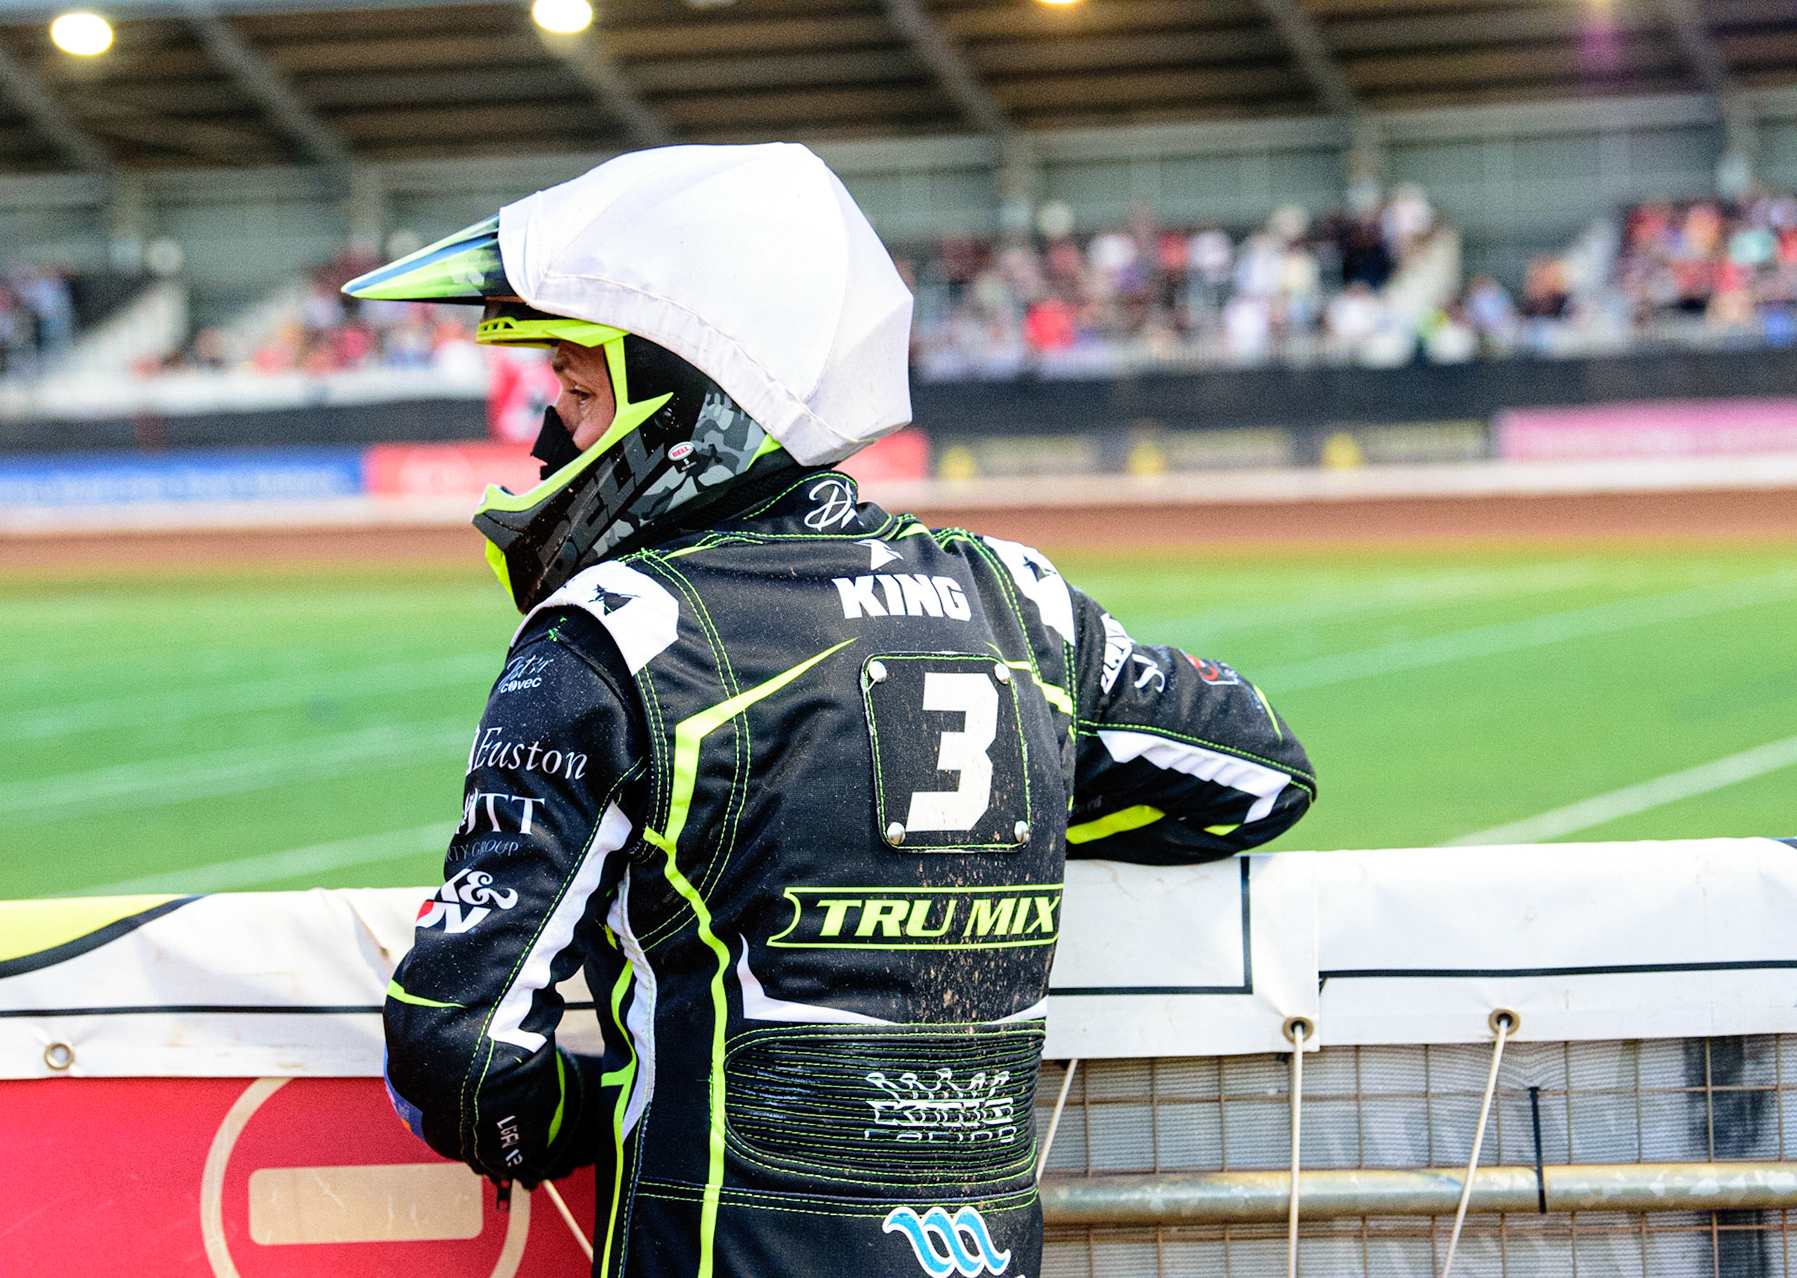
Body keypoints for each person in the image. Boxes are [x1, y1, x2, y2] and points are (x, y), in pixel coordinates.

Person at [346, 144, 1315, 1278]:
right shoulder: (1018, 601)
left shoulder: (620, 635)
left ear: (693, 399)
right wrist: (1015, 805)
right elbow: (1259, 775)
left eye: (574, 388)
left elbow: (456, 1054)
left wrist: (583, 1112)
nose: (547, 439)